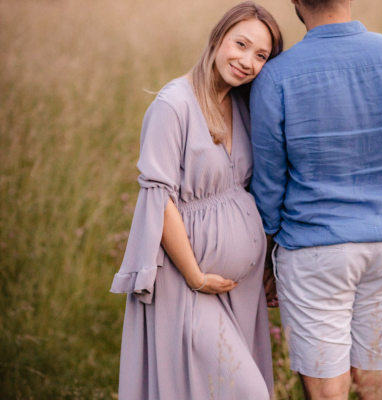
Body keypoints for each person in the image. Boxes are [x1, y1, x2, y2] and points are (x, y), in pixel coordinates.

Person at [250, 0, 382, 399]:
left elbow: (268, 188)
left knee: (328, 394)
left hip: (315, 252)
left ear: (296, 2)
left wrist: (266, 260)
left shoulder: (276, 76)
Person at [110, 3, 283, 399]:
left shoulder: (242, 105)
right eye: (241, 44)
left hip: (238, 288)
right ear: (218, 37)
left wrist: (267, 262)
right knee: (247, 393)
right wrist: (196, 276)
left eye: (261, 55)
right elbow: (159, 198)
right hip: (188, 284)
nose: (247, 61)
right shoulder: (174, 105)